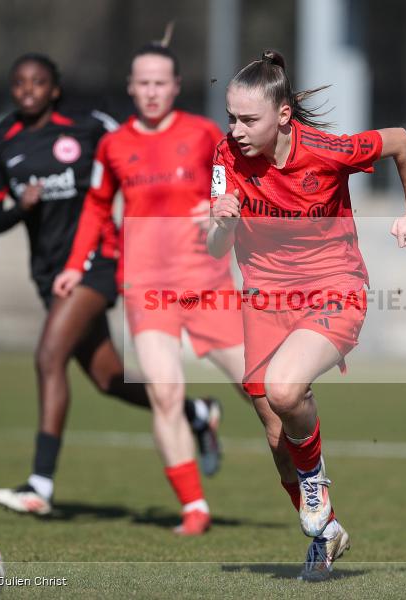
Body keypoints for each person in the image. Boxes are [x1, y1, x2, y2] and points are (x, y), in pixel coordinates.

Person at [208, 50, 406, 580]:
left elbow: (397, 139)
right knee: (275, 433)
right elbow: (215, 248)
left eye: (248, 119)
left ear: (283, 115)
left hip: (335, 288)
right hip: (264, 299)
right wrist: (218, 220)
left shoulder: (328, 150)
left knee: (286, 391)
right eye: (231, 118)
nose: (236, 130)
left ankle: (316, 485)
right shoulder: (224, 157)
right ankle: (324, 531)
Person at [0, 53, 222, 517]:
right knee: (108, 378)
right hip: (51, 272)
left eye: (39, 82)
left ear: (55, 88)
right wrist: (20, 208)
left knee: (49, 355)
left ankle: (39, 486)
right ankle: (197, 414)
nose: (28, 90)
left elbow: (138, 142)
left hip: (97, 261)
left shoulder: (89, 126)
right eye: (20, 83)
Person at [53, 40, 253, 536]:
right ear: (130, 87)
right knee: (165, 395)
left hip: (208, 284)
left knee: (263, 388)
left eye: (160, 82)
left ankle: (307, 476)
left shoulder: (206, 134)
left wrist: (218, 206)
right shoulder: (114, 144)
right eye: (142, 83)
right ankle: (195, 509)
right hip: (149, 288)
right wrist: (77, 264)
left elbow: (241, 183)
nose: (151, 91)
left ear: (176, 86)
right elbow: (98, 207)